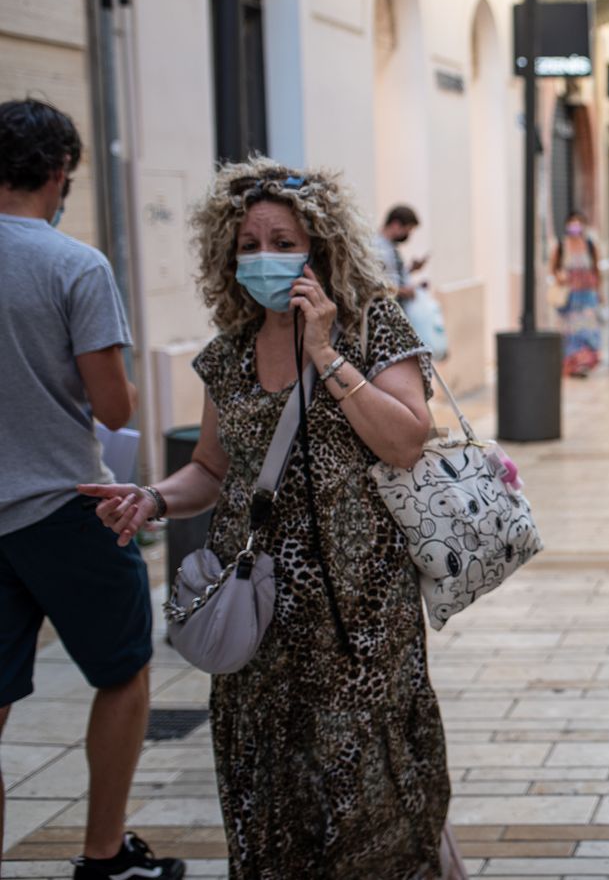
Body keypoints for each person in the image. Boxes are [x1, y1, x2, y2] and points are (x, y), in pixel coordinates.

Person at [80, 161, 450, 878]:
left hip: (360, 620)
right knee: (269, 790)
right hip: (257, 616)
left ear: (321, 248)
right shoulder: (228, 354)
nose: (263, 257)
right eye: (248, 243)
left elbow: (407, 441)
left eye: (283, 241)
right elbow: (213, 470)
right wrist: (152, 497)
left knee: (367, 792)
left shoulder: (372, 327)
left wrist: (324, 354)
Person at [0, 100, 185, 879]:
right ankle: (104, 857)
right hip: (66, 504)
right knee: (123, 671)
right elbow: (114, 407)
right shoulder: (75, 265)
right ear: (60, 172)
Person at [552, 210, 603, 377]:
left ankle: (584, 363)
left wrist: (599, 291)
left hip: (587, 296)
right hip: (570, 298)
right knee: (570, 332)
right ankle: (571, 365)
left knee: (586, 331)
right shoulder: (561, 246)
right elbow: (553, 268)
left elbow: (596, 269)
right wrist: (560, 277)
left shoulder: (589, 245)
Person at [377, 204, 425, 301]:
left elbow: (392, 274)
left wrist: (411, 269)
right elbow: (376, 284)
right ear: (396, 225)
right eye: (407, 230)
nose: (408, 235)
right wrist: (402, 291)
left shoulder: (391, 246)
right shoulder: (377, 247)